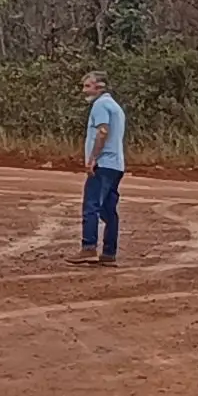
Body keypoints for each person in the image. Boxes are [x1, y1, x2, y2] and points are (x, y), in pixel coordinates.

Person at [77, 69, 127, 265]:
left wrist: (92, 159)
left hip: (103, 164)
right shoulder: (114, 106)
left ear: (99, 87)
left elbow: (102, 131)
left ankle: (88, 247)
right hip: (116, 165)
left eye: (87, 86)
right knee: (108, 210)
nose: (84, 90)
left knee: (91, 206)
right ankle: (109, 252)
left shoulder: (100, 105)